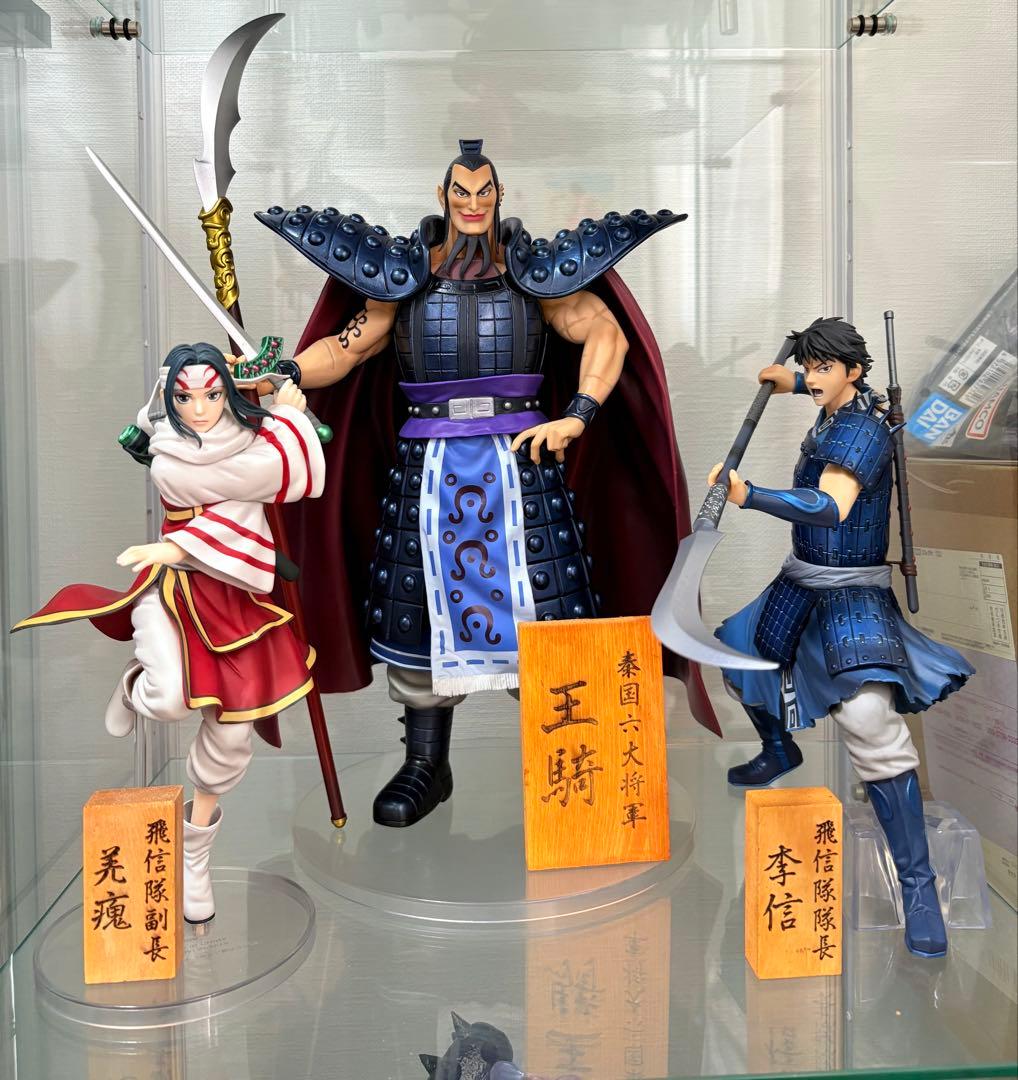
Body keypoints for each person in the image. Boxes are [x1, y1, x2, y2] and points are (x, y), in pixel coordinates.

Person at [253, 138, 719, 829]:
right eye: (461, 193)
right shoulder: (403, 280)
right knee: (420, 617)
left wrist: (578, 414)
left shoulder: (535, 277)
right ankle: (425, 763)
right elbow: (345, 348)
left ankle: (568, 766)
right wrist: (287, 373)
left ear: (499, 197)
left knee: (546, 622)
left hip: (521, 470)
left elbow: (606, 335)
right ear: (443, 198)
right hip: (428, 474)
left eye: (484, 192)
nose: (472, 204)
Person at [13, 343, 325, 922]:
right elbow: (264, 474)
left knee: (233, 734)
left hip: (234, 595)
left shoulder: (248, 442)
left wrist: (278, 409)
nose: (200, 409)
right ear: (170, 398)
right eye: (185, 397)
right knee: (168, 698)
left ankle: (196, 855)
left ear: (228, 392)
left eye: (212, 394)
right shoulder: (169, 452)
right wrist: (286, 420)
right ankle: (134, 687)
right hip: (172, 589)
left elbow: (273, 481)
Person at [711, 316, 973, 958]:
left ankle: (917, 887)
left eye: (824, 368)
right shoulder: (834, 407)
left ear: (854, 372)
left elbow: (830, 507)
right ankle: (780, 749)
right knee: (737, 651)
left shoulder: (861, 432)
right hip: (800, 580)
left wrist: (750, 494)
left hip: (852, 593)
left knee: (869, 721)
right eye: (810, 367)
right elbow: (818, 386)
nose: (814, 378)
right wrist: (789, 380)